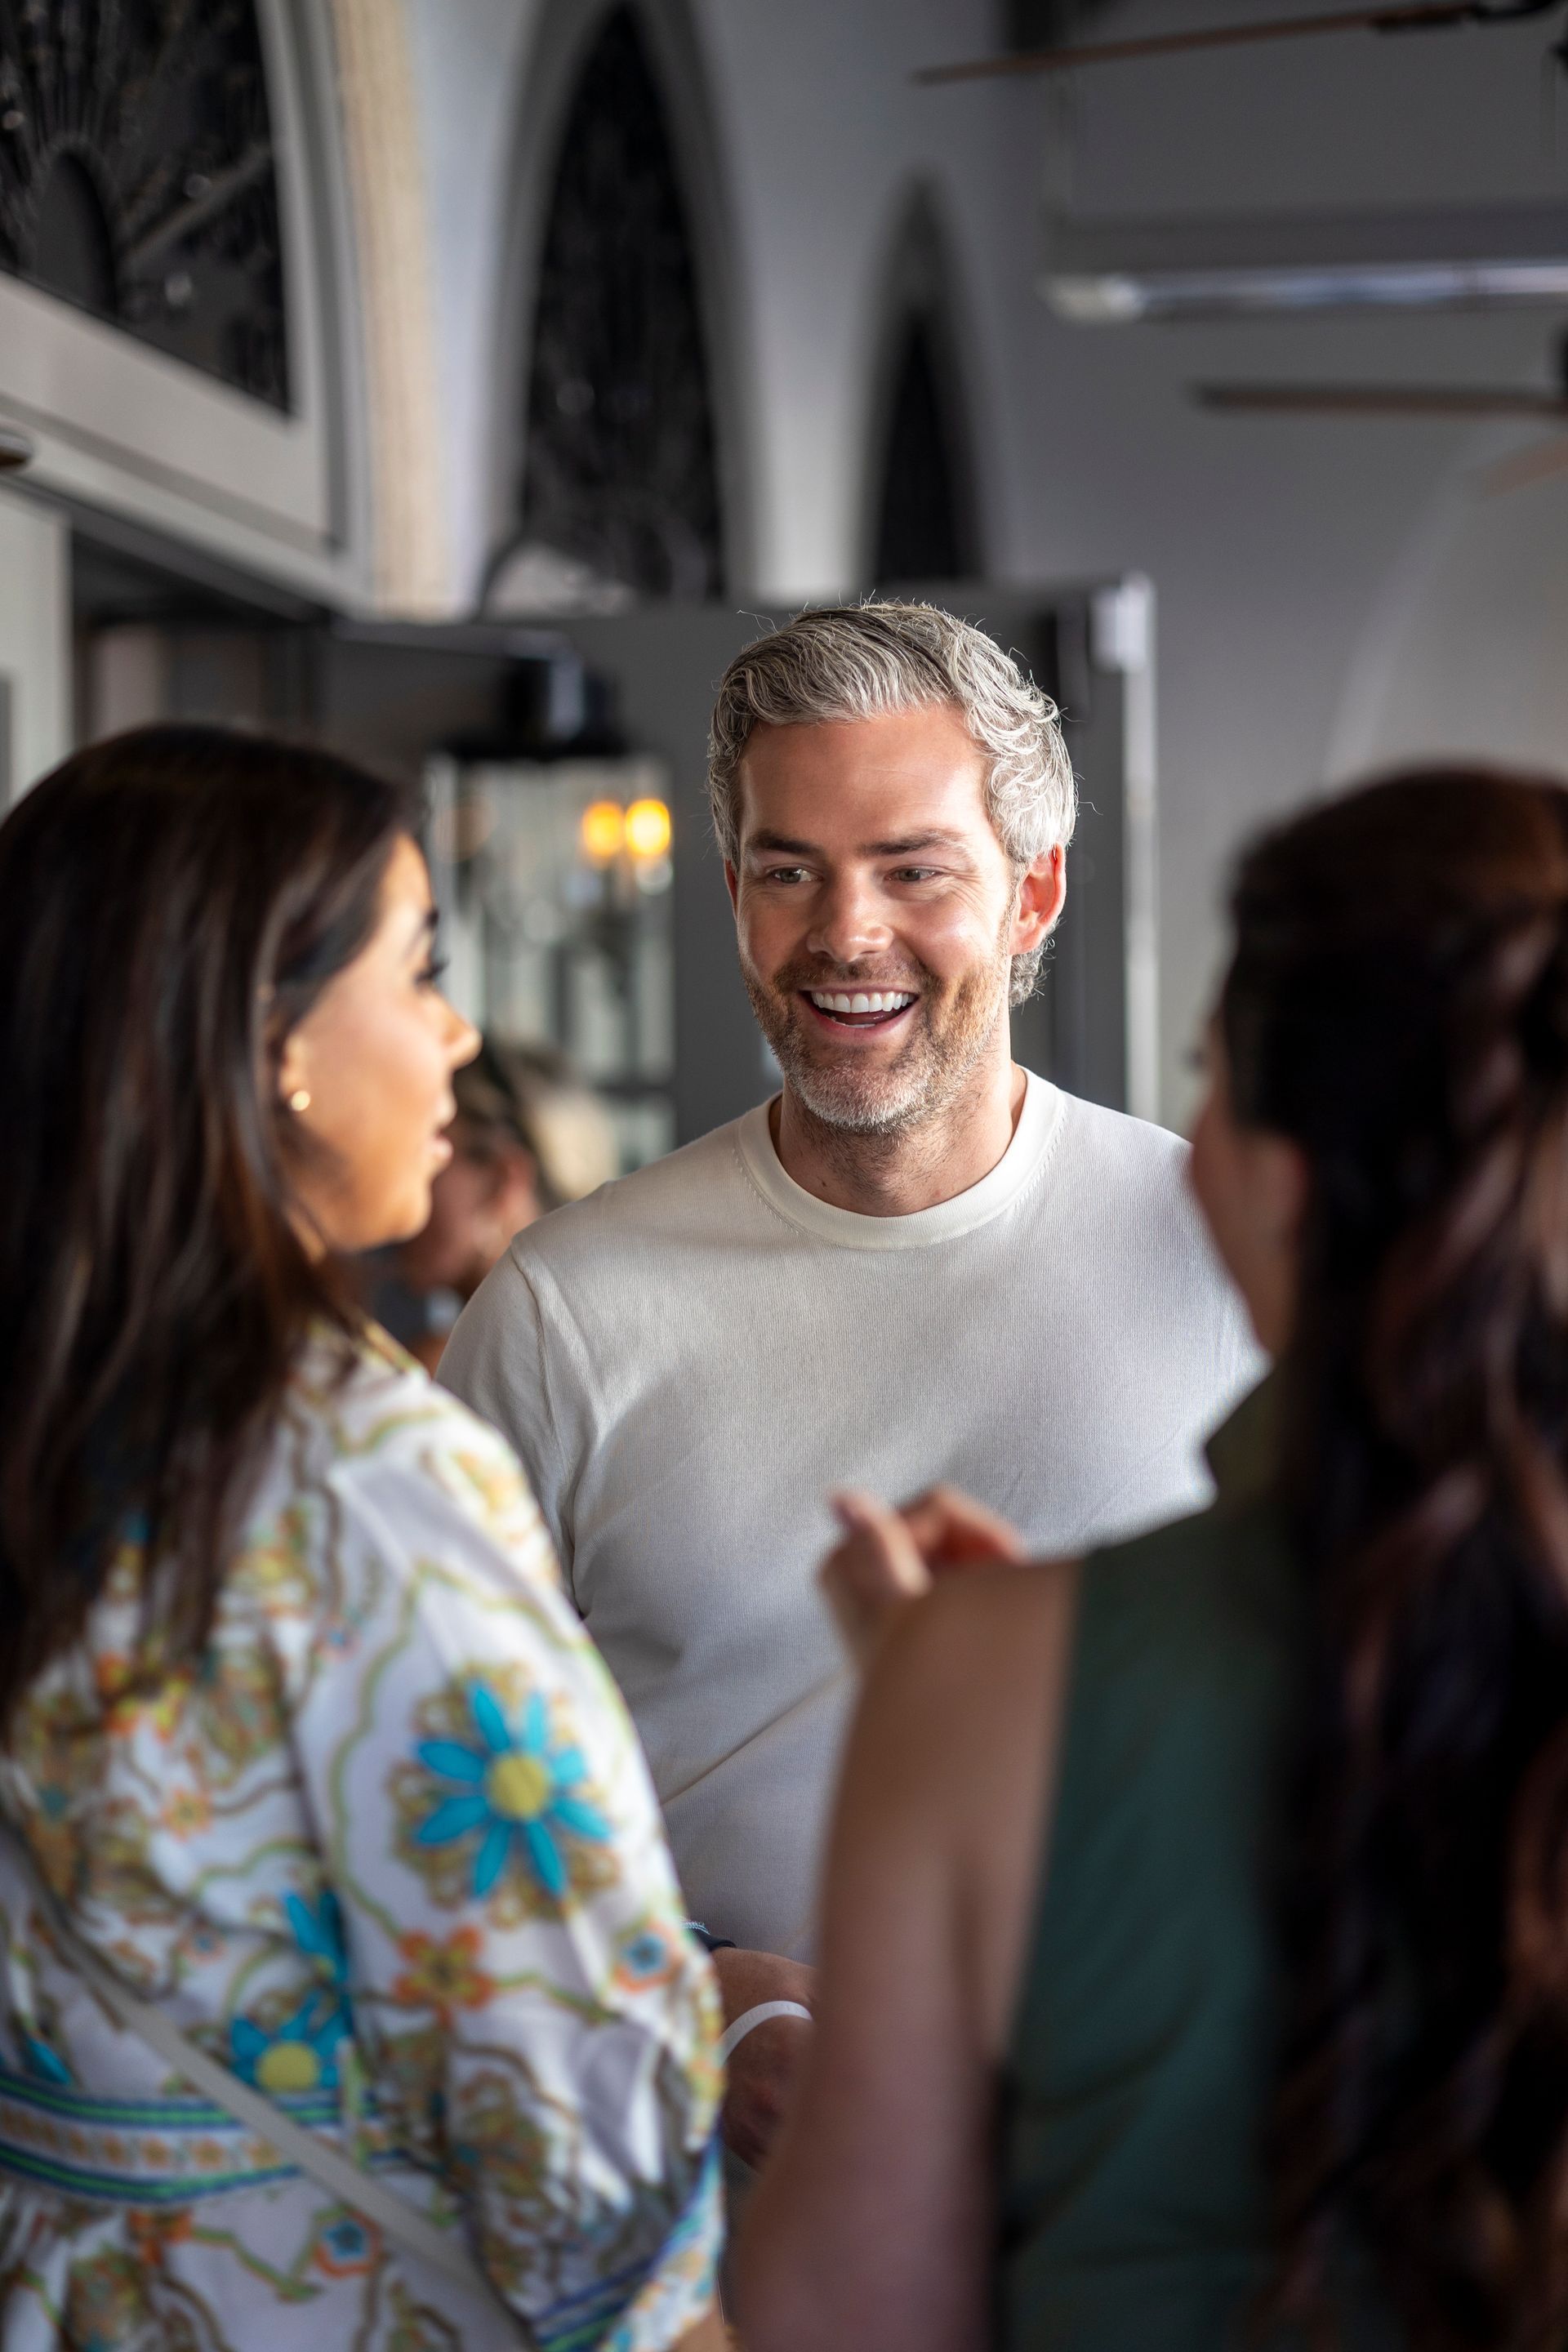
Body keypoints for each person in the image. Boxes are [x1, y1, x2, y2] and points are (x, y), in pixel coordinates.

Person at [740, 762, 1568, 2352]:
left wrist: (969, 1713)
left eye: (1211, 1079)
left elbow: (846, 2317)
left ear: (1275, 1174)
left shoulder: (986, 1687)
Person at [440, 600, 1257, 2167]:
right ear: (733, 891)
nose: (845, 935)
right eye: (787, 869)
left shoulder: (1221, 1254)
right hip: (705, 2226)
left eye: (912, 869)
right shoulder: (561, 1307)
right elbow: (430, 1791)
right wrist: (696, 2006)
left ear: (1036, 893)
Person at [0, 727, 723, 2351]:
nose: (457, 1038)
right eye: (420, 971)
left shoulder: (62, 1424)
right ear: (274, 1048)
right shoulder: (351, 1479)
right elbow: (561, 2072)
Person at [374, 1039, 619, 1373]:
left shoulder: (447, 1370)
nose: (395, 1182)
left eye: (427, 1155)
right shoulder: (597, 1348)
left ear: (502, 1182)